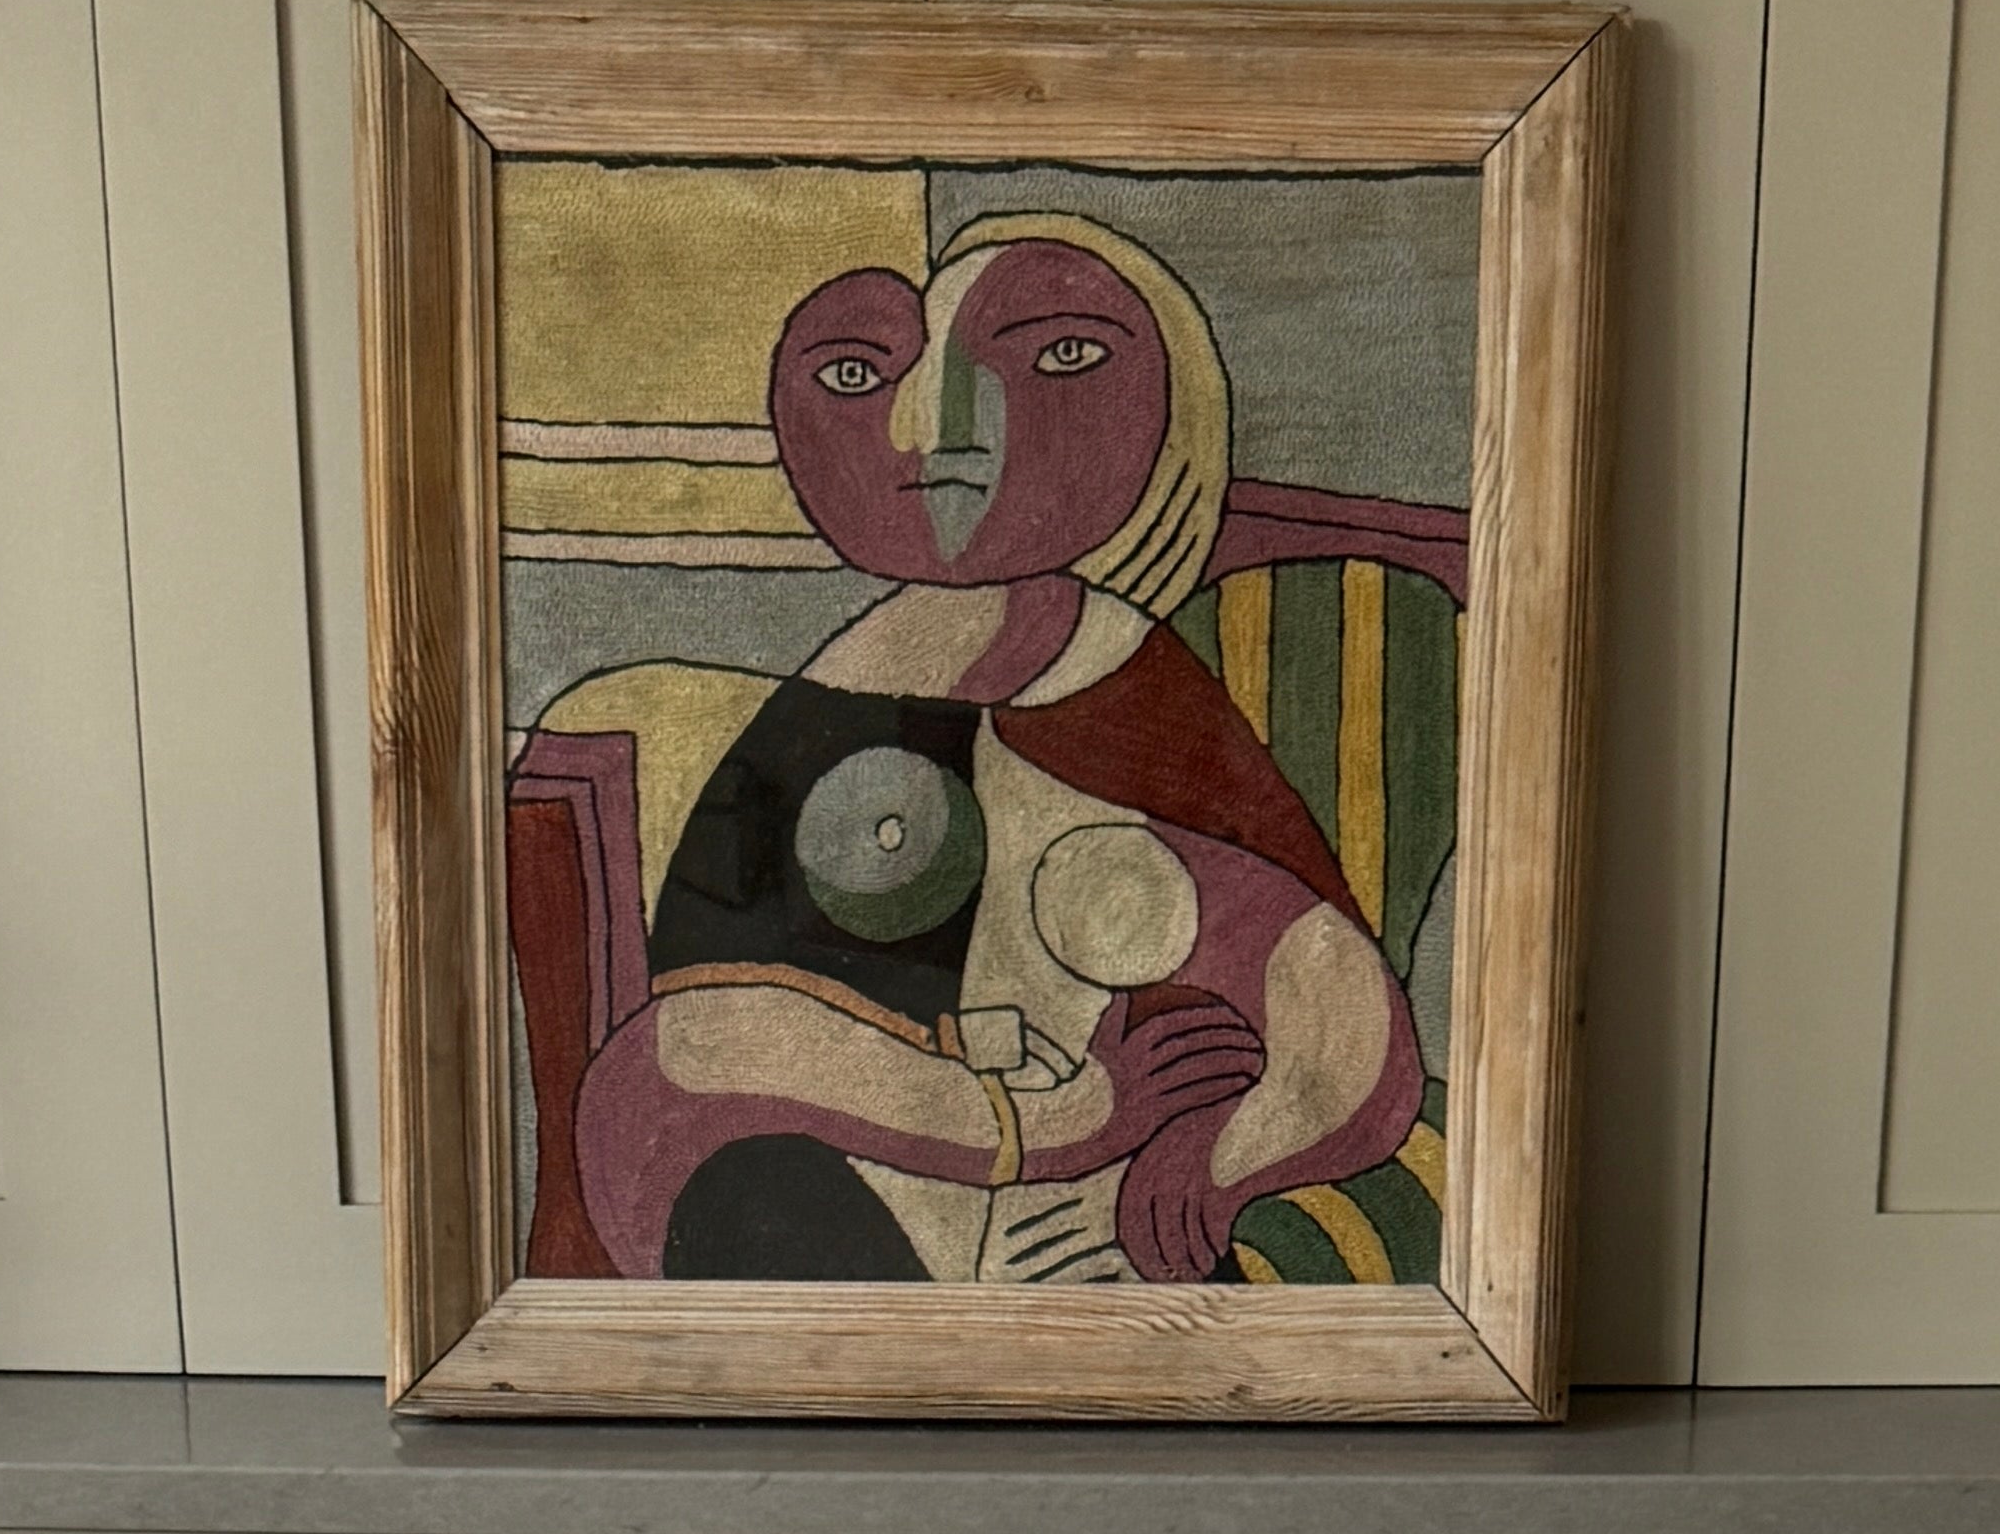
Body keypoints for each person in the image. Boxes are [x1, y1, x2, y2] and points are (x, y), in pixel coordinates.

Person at [560, 219, 1422, 1288]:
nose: (936, 433)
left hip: (1079, 1237)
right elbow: (692, 1051)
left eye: (1056, 357)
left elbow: (1337, 1012)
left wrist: (1217, 1158)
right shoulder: (840, 697)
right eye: (857, 374)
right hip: (842, 1202)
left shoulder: (1125, 691)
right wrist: (1047, 1121)